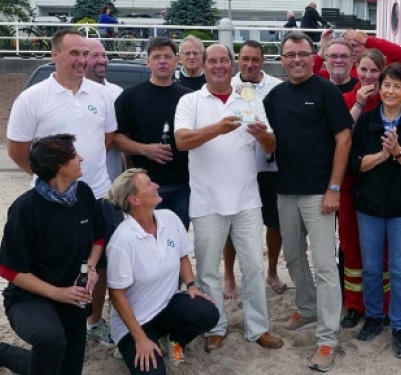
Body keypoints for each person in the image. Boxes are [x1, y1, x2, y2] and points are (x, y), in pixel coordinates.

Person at [6, 29, 118, 347]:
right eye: (74, 53)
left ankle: (93, 322)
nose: (82, 60)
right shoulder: (32, 98)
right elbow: (17, 149)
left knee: (100, 264)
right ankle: (53, 319)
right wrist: (54, 181)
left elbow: (106, 140)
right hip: (51, 201)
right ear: (54, 55)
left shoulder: (101, 95)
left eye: (86, 54)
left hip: (98, 195)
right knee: (56, 262)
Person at [175, 44, 285, 353]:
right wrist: (219, 129)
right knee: (208, 269)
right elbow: (182, 141)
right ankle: (216, 326)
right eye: (213, 61)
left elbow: (270, 144)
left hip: (247, 198)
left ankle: (258, 327)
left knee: (252, 267)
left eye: (225, 60)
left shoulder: (248, 98)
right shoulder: (190, 100)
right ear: (204, 65)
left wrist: (262, 135)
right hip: (207, 200)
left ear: (232, 64)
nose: (219, 66)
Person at [0, 134, 105, 375]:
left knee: (62, 368)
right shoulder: (26, 208)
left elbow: (98, 237)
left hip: (73, 298)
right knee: (51, 342)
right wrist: (58, 293)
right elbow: (8, 269)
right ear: (58, 166)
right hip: (30, 298)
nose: (81, 158)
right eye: (74, 155)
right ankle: (2, 352)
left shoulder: (83, 193)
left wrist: (90, 268)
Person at [262, 32, 352, 372]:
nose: (296, 59)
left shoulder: (327, 92)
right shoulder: (274, 96)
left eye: (302, 53)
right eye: (289, 54)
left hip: (319, 192)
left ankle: (327, 339)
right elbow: (269, 142)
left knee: (326, 267)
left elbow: (343, 140)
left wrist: (334, 188)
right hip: (286, 189)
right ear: (282, 59)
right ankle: (307, 307)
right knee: (294, 255)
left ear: (314, 56)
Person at [349, 63, 401, 359]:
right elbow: (355, 164)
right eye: (386, 85)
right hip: (369, 206)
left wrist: (397, 152)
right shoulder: (368, 121)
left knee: (398, 269)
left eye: (397, 86)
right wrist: (383, 155)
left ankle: (398, 326)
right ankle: (373, 317)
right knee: (371, 267)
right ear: (378, 89)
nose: (390, 91)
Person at [106, 168, 220, 372]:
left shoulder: (169, 218)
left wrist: (191, 285)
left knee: (208, 312)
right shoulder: (122, 241)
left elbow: (182, 255)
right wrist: (140, 339)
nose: (156, 186)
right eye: (148, 184)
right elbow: (116, 295)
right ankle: (128, 345)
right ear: (134, 200)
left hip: (167, 308)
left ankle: (174, 340)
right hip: (134, 323)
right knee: (154, 372)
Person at [222, 40, 286, 299]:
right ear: (238, 59)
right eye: (245, 59)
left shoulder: (277, 87)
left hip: (271, 167)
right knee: (232, 223)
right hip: (237, 167)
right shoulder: (228, 86)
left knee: (274, 223)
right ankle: (228, 275)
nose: (249, 64)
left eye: (255, 59)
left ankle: (272, 271)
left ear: (263, 60)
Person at [113, 37, 192, 229]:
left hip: (184, 186)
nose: (162, 61)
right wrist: (144, 149)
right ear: (148, 62)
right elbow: (116, 139)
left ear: (177, 60)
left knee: (177, 241)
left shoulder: (189, 97)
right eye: (157, 57)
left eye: (167, 56)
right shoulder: (129, 97)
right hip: (144, 189)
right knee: (146, 243)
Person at [338, 49, 388, 329]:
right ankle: (354, 305)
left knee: (383, 249)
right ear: (356, 69)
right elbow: (341, 134)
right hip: (349, 184)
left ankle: (385, 304)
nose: (369, 76)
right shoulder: (346, 99)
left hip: (381, 184)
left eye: (374, 71)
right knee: (351, 246)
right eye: (364, 70)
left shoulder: (390, 98)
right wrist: (358, 104)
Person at [84, 39, 124, 183]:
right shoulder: (69, 94)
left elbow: (123, 136)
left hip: (110, 180)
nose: (102, 60)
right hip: (77, 180)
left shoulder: (117, 93)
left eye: (104, 55)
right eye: (95, 56)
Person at [314, 29, 401, 80]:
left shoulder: (376, 67)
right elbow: (307, 75)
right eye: (347, 47)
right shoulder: (334, 72)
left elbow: (398, 54)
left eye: (354, 45)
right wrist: (322, 53)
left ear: (366, 46)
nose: (351, 50)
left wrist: (368, 40)